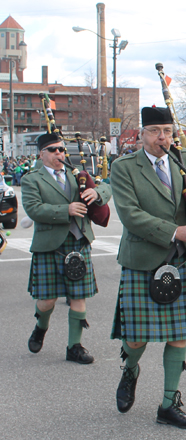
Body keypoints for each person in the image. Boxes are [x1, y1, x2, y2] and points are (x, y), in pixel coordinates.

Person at [110, 107, 186, 429]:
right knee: (136, 338)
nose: (163, 137)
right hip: (143, 260)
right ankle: (130, 369)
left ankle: (168, 404)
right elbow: (130, 215)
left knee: (178, 336)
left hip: (180, 260)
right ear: (141, 135)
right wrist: (175, 231)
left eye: (168, 130)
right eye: (155, 131)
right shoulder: (123, 168)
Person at [22, 132, 111, 363]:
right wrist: (66, 210)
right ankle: (41, 326)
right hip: (49, 244)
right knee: (47, 300)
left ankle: (75, 346)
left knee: (79, 296)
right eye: (53, 150)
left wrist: (96, 192)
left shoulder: (76, 174)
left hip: (78, 241)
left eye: (62, 149)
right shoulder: (32, 179)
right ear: (42, 154)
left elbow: (106, 188)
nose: (60, 154)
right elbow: (34, 209)